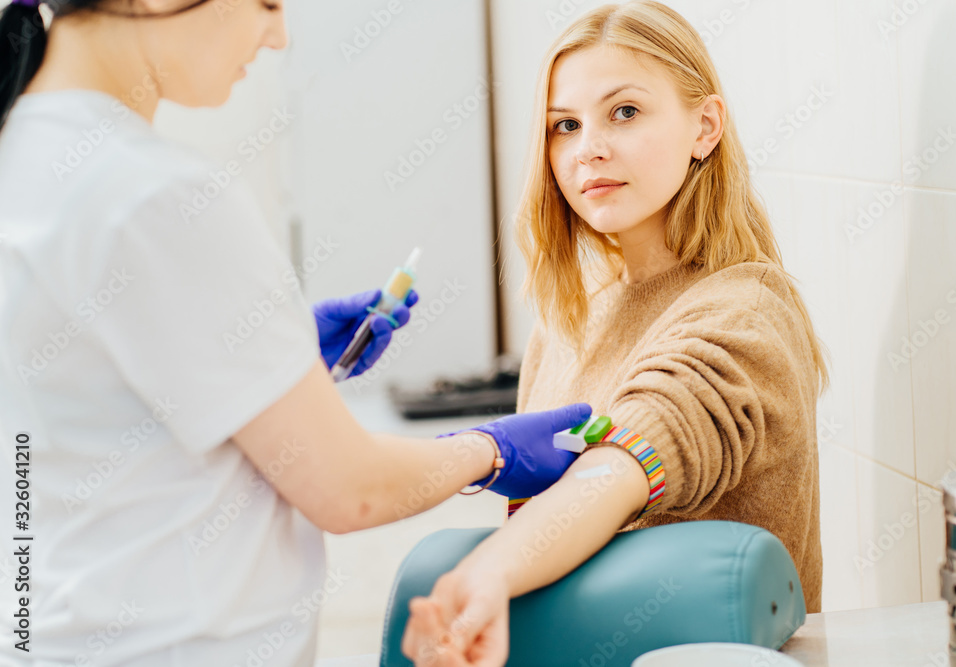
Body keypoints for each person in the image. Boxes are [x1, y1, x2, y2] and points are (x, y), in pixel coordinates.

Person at [0, 1, 592, 665]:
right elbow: (352, 487)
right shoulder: (152, 194)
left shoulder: (24, 153)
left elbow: (90, 397)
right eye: (267, 4)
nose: (279, 37)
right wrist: (490, 448)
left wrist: (275, 358)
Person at [400, 2, 830, 664]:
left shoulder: (744, 311)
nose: (588, 148)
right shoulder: (570, 319)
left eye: (624, 112)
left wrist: (486, 573)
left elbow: (629, 463)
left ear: (705, 127)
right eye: (564, 125)